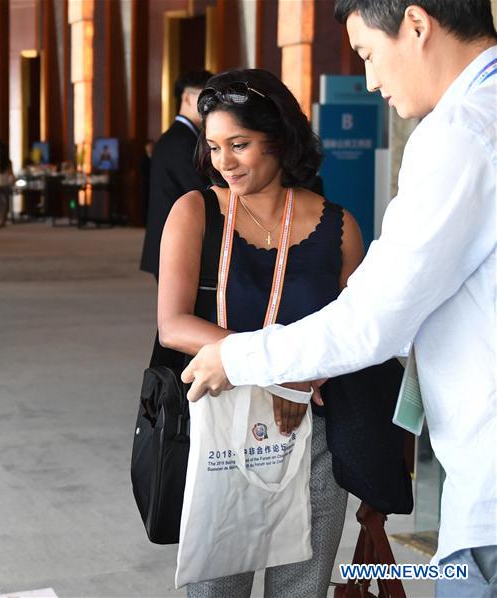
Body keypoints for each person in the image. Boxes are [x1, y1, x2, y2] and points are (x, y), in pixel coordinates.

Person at [181, 3, 497, 596]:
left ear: (417, 25)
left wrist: (242, 358)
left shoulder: (458, 134)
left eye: (369, 54)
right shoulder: (199, 210)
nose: (371, 80)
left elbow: (374, 318)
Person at [160, 69, 364, 598]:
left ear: (279, 138)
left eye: (239, 144)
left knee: (303, 587)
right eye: (214, 147)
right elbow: (172, 324)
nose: (223, 162)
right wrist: (279, 373)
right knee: (216, 588)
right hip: (221, 428)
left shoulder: (339, 226)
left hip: (313, 434)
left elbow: (356, 331)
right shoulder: (195, 211)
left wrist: (301, 379)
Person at [140, 69, 214, 279]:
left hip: (171, 239)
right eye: (205, 97)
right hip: (174, 243)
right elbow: (198, 188)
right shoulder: (181, 141)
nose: (210, 106)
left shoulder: (181, 136)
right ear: (187, 98)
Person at [0, 141, 15, 228]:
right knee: (6, 203)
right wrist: (14, 180)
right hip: (6, 184)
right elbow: (11, 173)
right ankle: (3, 219)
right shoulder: (9, 161)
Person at [140, 139, 153, 226]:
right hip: (146, 184)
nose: (150, 148)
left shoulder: (156, 157)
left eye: (151, 146)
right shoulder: (143, 159)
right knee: (145, 202)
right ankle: (144, 222)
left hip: (153, 184)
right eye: (148, 146)